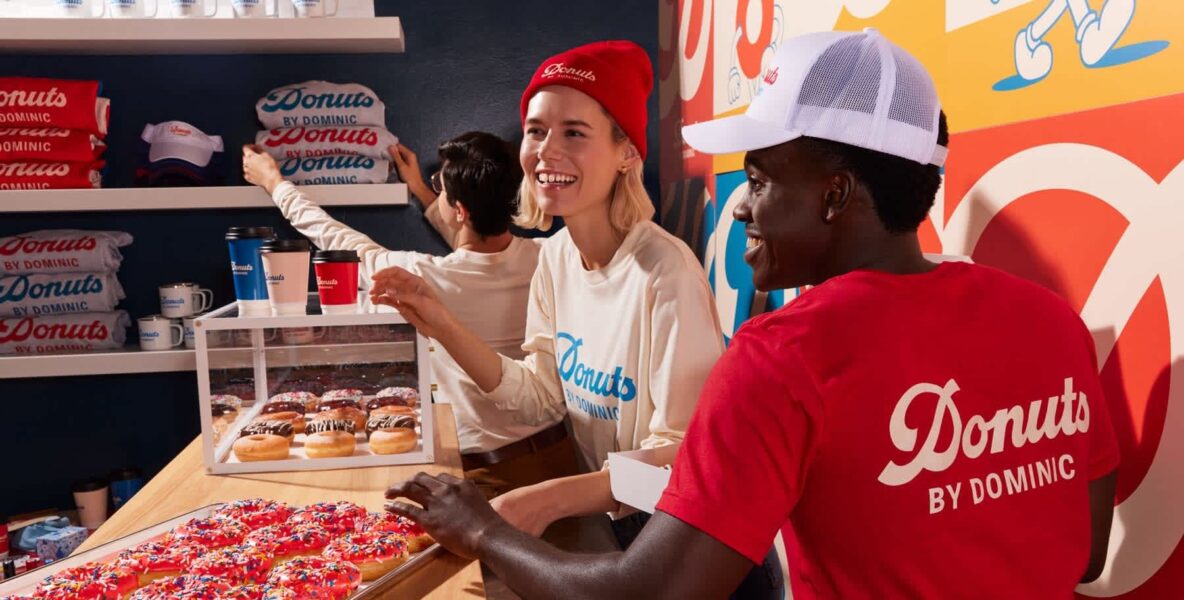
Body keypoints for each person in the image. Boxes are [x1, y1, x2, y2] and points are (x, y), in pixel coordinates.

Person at [382, 29, 1120, 599]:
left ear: (835, 194)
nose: (740, 206)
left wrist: (482, 529)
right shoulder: (1048, 320)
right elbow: (1084, 552)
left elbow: (651, 591)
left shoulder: (783, 355)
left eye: (760, 179)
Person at [370, 40, 732, 553]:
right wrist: (438, 322)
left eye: (574, 132)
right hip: (615, 525)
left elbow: (686, 463)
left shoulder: (665, 274)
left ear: (627, 153)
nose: (545, 151)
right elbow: (538, 396)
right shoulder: (556, 257)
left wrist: (549, 500)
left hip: (682, 539)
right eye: (536, 130)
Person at [242, 133, 578, 492]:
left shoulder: (420, 277)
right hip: (562, 456)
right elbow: (483, 251)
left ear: (460, 210)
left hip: (488, 475)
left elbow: (334, 236)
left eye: (442, 188)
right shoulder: (548, 257)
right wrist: (423, 189)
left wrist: (274, 183)